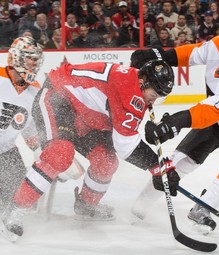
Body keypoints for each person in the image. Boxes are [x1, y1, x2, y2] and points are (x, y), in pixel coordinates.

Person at [0, 59, 179, 241]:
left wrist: (158, 165)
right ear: (144, 82)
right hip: (58, 97)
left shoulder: (133, 83)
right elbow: (125, 145)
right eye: (154, 94)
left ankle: (86, 205)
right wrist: (158, 167)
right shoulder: (129, 91)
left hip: (88, 116)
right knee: (60, 153)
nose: (154, 100)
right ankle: (15, 209)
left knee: (106, 161)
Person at [130, 26, 219, 234]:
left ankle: (203, 208)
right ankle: (139, 207)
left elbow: (208, 112)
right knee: (179, 163)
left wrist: (174, 123)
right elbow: (192, 54)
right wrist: (158, 56)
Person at [0, 37, 43, 217]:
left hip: (6, 152)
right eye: (30, 58)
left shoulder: (34, 91)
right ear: (17, 57)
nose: (34, 63)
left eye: (36, 59)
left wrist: (43, 156)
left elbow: (29, 130)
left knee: (20, 201)